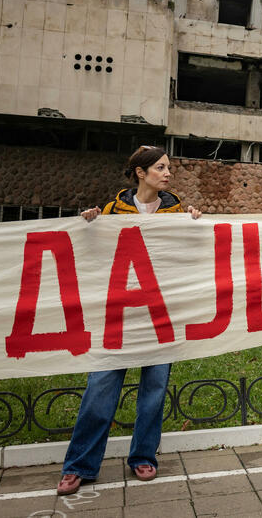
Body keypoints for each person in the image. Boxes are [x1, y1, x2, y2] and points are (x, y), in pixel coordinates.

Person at [57, 146, 202, 495]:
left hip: (160, 315)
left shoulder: (178, 210)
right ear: (140, 172)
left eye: (168, 167)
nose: (168, 173)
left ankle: (143, 457)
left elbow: (190, 252)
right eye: (160, 167)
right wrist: (88, 225)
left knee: (153, 391)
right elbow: (91, 254)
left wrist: (197, 224)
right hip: (118, 316)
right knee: (100, 389)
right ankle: (80, 466)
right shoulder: (111, 210)